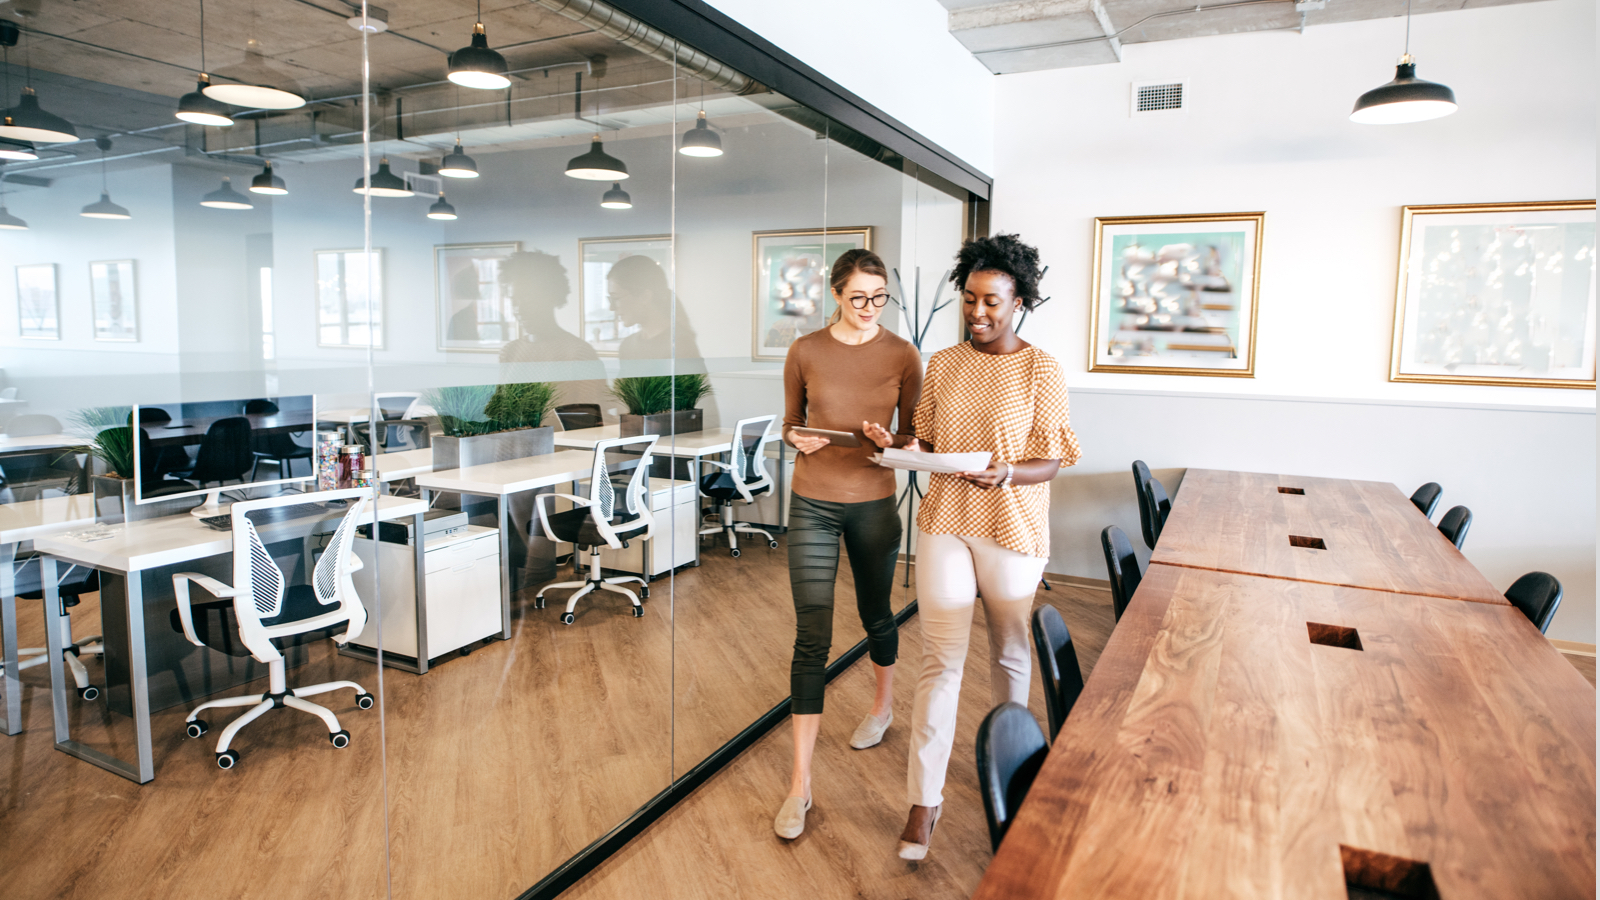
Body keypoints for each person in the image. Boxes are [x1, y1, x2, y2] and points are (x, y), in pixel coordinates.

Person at [895, 234, 1081, 860]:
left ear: (1020, 301)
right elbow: (925, 442)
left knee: (1008, 653)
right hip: (947, 515)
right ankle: (925, 801)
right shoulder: (943, 363)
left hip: (1012, 524)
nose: (978, 312)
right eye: (970, 299)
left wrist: (1008, 471)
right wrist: (896, 445)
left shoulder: (1040, 368)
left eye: (993, 302)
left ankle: (1014, 772)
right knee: (939, 660)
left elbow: (1051, 461)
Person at [773, 249, 923, 840]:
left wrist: (894, 439)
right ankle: (800, 785)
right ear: (836, 293)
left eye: (879, 297)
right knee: (811, 633)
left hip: (874, 503)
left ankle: (882, 707)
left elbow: (914, 433)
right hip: (811, 500)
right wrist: (797, 438)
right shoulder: (805, 350)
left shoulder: (903, 354)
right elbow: (788, 421)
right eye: (859, 297)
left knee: (875, 614)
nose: (869, 309)